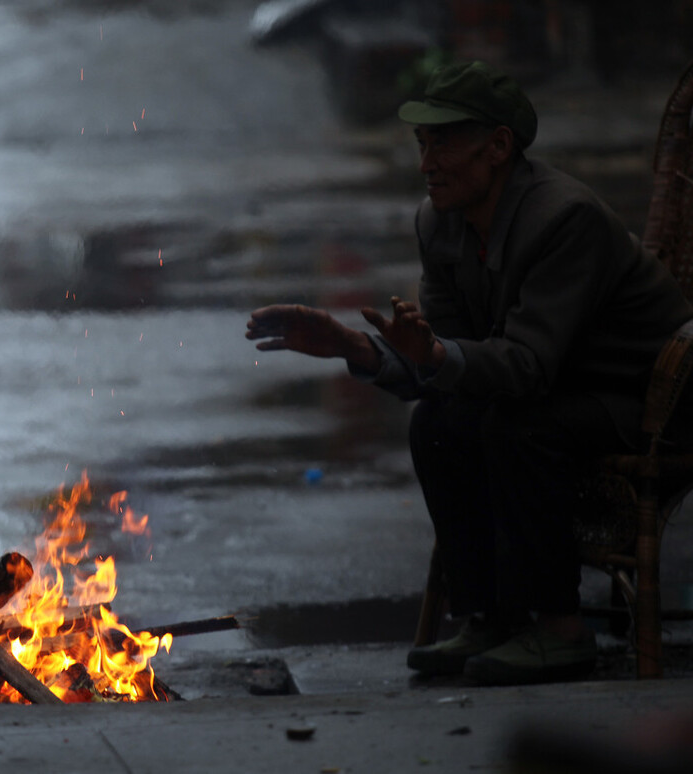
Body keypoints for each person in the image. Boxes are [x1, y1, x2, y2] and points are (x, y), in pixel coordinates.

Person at [246, 61, 693, 685]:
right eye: (422, 144)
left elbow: (525, 365)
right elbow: (451, 357)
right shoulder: (442, 222)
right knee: (439, 421)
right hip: (555, 389)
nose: (427, 162)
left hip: (645, 404)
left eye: (445, 143)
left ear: (499, 147)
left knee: (518, 426)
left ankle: (563, 630)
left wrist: (435, 357)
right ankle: (489, 616)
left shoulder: (564, 219)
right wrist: (357, 348)